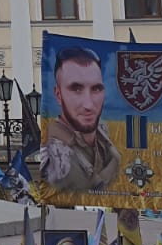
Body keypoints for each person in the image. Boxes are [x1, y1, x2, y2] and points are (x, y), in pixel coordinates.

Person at [41, 46, 122, 192]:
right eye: (76, 89)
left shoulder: (102, 134)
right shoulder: (57, 155)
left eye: (96, 89)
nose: (89, 105)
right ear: (58, 95)